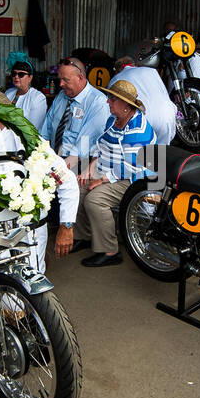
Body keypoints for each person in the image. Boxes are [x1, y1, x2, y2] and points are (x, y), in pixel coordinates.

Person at [0, 89, 77, 273]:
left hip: (29, 233)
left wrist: (66, 226)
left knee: (30, 286)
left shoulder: (29, 143)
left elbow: (66, 180)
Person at [74, 80, 156, 267]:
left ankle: (110, 251)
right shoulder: (114, 119)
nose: (107, 102)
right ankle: (85, 236)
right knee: (78, 187)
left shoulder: (138, 129)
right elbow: (103, 147)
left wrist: (102, 180)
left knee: (95, 200)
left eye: (112, 98)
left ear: (126, 105)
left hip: (137, 179)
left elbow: (133, 167)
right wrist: (90, 167)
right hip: (112, 171)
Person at [38, 56, 110, 172]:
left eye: (66, 80)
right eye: (60, 79)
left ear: (80, 77)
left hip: (79, 165)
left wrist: (57, 172)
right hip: (53, 160)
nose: (60, 84)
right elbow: (45, 131)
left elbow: (83, 146)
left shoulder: (98, 102)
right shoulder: (61, 96)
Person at [113, 55, 177, 145]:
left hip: (143, 119)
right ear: (134, 65)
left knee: (140, 157)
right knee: (159, 156)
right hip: (166, 116)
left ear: (116, 70)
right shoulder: (151, 71)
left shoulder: (117, 79)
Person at [5, 60, 48, 128]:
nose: (16, 77)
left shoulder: (38, 98)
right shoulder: (8, 93)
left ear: (30, 78)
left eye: (21, 74)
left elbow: (33, 128)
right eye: (14, 73)